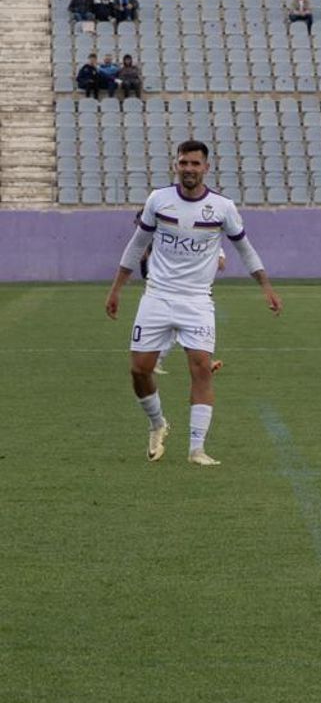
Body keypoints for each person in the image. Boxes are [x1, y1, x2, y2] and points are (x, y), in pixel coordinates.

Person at [104, 141, 282, 467]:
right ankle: (157, 423)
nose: (189, 168)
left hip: (197, 300)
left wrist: (266, 286)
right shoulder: (158, 200)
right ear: (176, 165)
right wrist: (116, 289)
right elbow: (137, 244)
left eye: (195, 164)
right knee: (139, 370)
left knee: (201, 368)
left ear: (206, 168)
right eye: (184, 162)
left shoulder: (222, 207)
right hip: (157, 295)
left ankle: (197, 449)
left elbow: (244, 248)